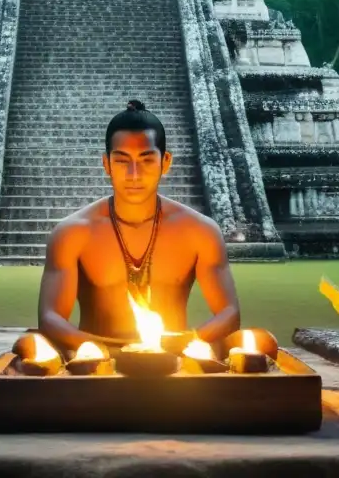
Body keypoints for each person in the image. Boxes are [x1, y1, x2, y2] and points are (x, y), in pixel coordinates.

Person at [37, 100, 241, 354]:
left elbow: (229, 312)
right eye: (122, 161)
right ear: (106, 164)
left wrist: (187, 340)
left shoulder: (199, 231)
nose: (134, 174)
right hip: (98, 369)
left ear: (165, 162)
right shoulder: (73, 233)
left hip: (172, 369)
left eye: (146, 160)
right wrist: (108, 349)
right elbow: (50, 318)